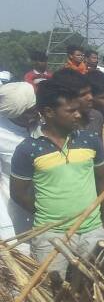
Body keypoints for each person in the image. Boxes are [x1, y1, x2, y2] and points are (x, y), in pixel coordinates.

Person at [10, 79, 104, 274]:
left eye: (77, 109)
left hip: (92, 231)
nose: (77, 114)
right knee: (54, 294)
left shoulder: (89, 141)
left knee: (93, 291)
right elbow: (18, 193)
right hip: (50, 236)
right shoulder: (28, 149)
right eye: (70, 111)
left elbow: (103, 182)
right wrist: (49, 212)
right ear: (49, 113)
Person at [0, 83, 39, 248]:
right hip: (13, 199)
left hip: (47, 194)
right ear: (16, 114)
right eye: (29, 111)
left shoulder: (44, 123)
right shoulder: (2, 132)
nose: (35, 113)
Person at [52, 68, 100, 133]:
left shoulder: (96, 117)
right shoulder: (50, 122)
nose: (90, 98)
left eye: (90, 92)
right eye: (83, 94)